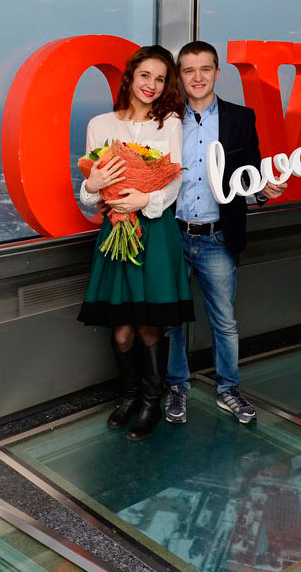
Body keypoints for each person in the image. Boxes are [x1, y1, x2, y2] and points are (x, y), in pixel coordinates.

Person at [164, 41, 286, 425]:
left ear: (217, 72)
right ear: (180, 76)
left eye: (205, 69)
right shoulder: (166, 120)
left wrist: (264, 190)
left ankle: (228, 388)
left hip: (218, 237)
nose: (198, 77)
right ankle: (176, 387)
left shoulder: (240, 118)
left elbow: (251, 173)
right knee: (172, 320)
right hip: (172, 235)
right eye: (189, 70)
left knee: (225, 322)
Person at [77, 45, 193, 441]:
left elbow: (175, 179)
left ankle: (150, 403)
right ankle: (128, 397)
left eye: (161, 79)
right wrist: (92, 185)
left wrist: (146, 200)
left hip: (155, 231)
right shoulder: (99, 124)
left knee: (148, 327)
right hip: (115, 229)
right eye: (146, 75)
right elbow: (90, 192)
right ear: (130, 77)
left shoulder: (170, 123)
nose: (152, 85)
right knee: (122, 330)